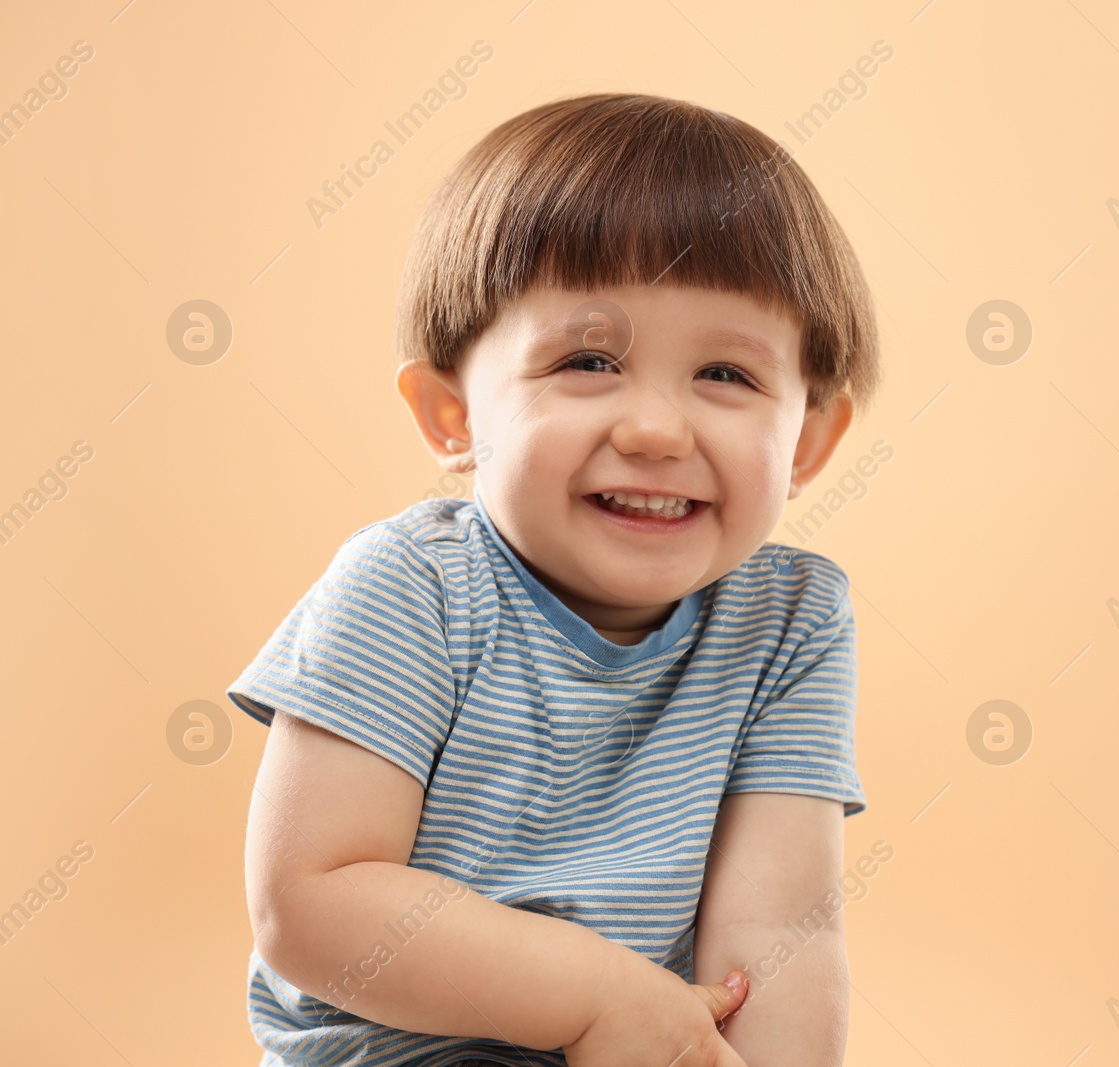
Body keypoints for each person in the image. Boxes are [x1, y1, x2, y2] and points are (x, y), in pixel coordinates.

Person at [228, 91, 883, 1066]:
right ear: (452, 414)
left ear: (809, 439)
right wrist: (598, 998)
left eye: (726, 375)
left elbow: (781, 938)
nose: (657, 429)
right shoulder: (413, 586)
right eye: (587, 360)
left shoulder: (788, 622)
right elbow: (311, 899)